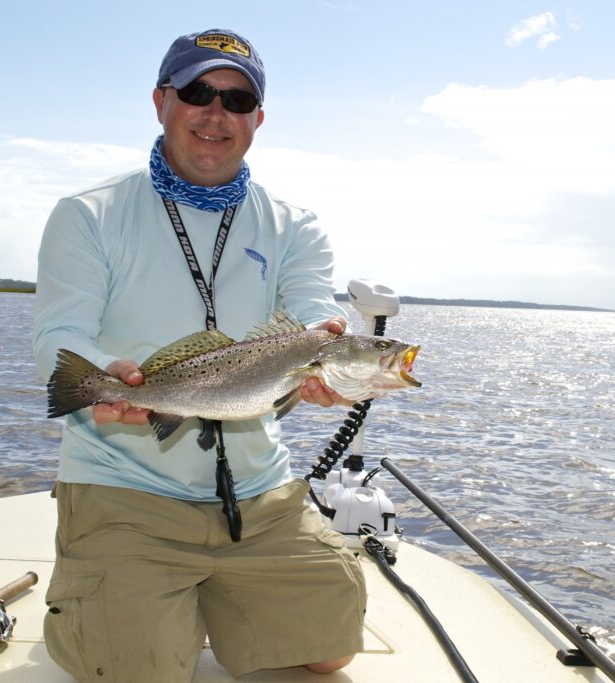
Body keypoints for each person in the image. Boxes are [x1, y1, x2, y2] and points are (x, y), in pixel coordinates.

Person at [33, 28, 366, 682]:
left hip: (258, 493)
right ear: (161, 101)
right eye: (196, 92)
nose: (217, 113)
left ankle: (210, 595)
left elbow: (309, 311)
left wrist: (324, 353)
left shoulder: (295, 224)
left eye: (237, 101)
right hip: (125, 491)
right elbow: (61, 339)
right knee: (137, 669)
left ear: (258, 120)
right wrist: (109, 383)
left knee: (331, 647)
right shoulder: (88, 214)